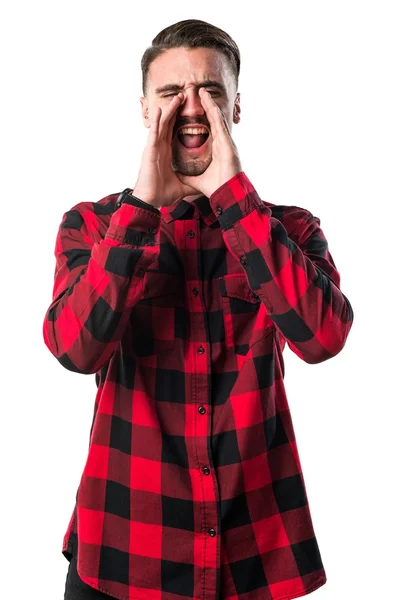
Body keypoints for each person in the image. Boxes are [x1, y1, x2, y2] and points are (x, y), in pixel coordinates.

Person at [43, 18, 354, 600]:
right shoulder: (93, 224)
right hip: (121, 553)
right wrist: (141, 210)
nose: (191, 108)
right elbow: (74, 349)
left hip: (252, 555)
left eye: (210, 92)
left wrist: (234, 199)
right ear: (144, 109)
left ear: (236, 108)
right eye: (170, 94)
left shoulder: (290, 229)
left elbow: (324, 337)